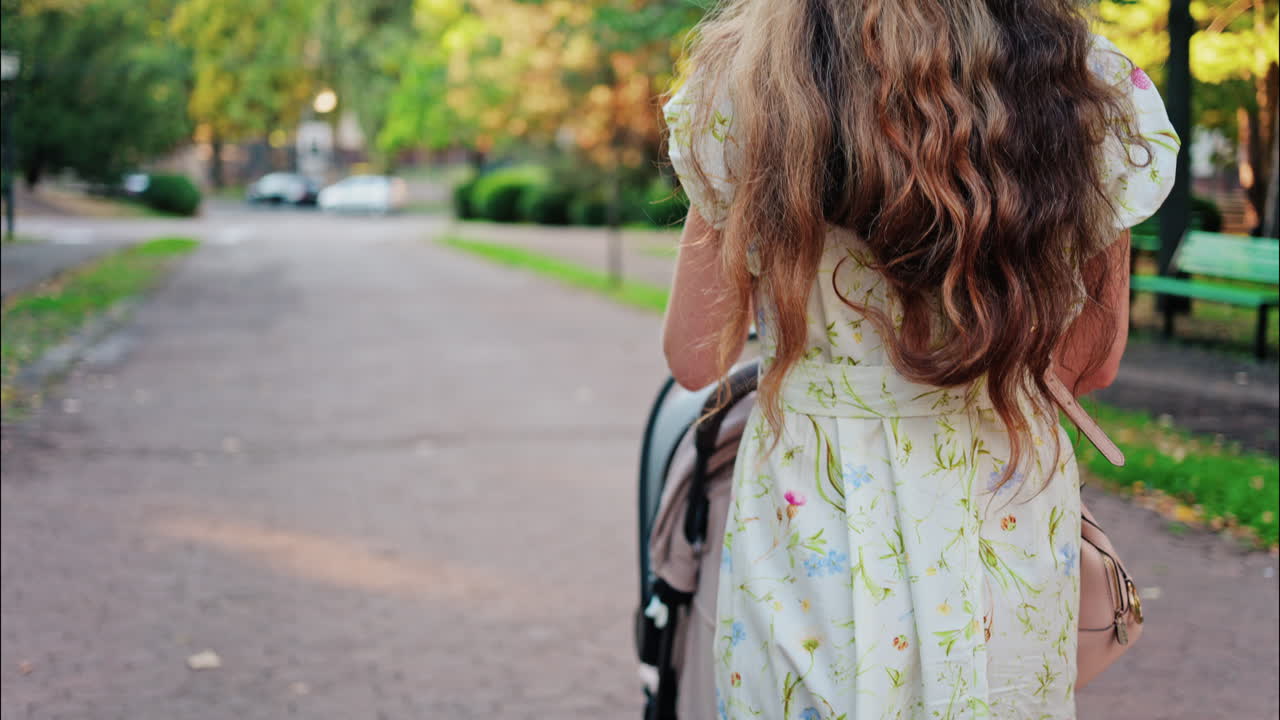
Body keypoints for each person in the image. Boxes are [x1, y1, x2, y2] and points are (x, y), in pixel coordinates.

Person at [660, 1, 1179, 718]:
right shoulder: (1089, 86)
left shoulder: (743, 83)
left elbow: (693, 355)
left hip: (810, 508)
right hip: (1000, 498)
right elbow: (1089, 363)